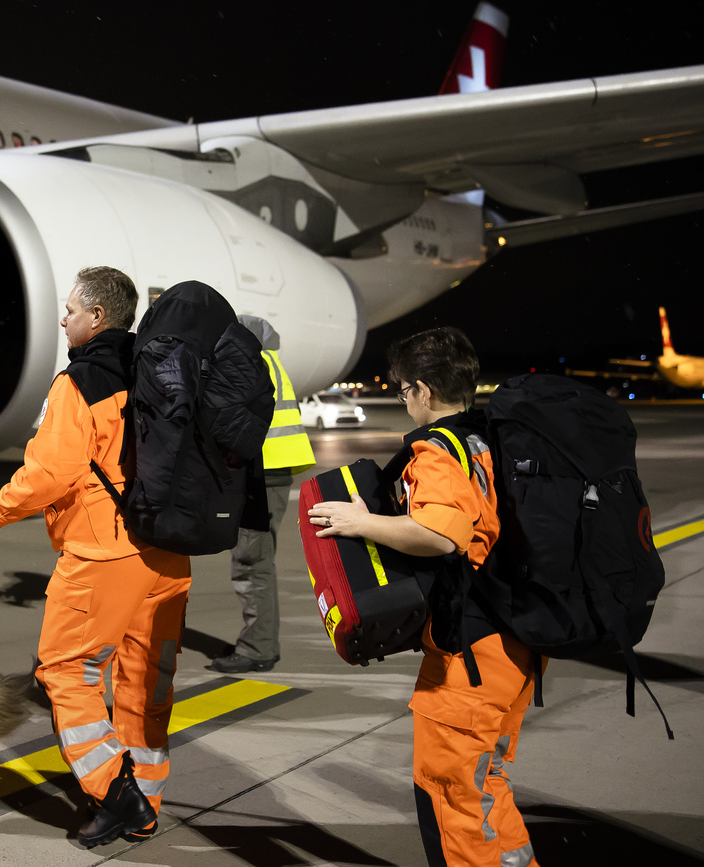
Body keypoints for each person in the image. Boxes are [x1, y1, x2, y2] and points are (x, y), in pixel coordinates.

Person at [308, 327, 542, 867]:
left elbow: (442, 534)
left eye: (402, 391)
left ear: (423, 391)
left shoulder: (439, 452)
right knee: (488, 783)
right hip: (516, 641)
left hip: (472, 660)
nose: (404, 400)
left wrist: (360, 521)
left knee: (453, 794)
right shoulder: (488, 437)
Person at [0, 266, 192, 848]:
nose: (63, 319)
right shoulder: (159, 374)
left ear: (97, 317)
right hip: (168, 552)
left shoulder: (78, 383)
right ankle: (146, 799)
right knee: (146, 679)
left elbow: (50, 472)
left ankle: (112, 791)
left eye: (70, 310)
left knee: (65, 670)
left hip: (105, 550)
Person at [213, 315, 315, 673]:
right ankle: (260, 643)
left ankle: (258, 648)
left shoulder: (250, 362)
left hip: (261, 472)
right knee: (258, 560)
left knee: (252, 562)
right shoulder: (271, 361)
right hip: (275, 469)